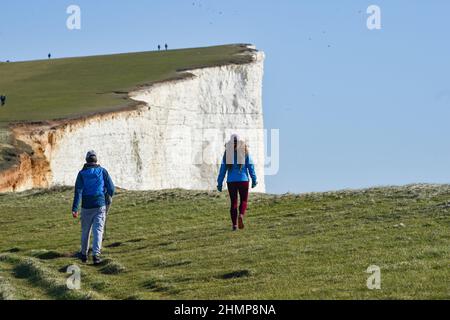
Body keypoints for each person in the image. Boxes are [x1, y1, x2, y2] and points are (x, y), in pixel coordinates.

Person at [72, 150, 115, 264]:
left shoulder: (81, 174)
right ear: (96, 160)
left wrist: (75, 209)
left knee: (85, 231)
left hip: (86, 207)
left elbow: (78, 192)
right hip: (100, 205)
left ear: (86, 160)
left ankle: (83, 255)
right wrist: (107, 197)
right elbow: (111, 188)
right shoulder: (102, 171)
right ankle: (96, 255)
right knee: (98, 231)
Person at [217, 134, 258, 231]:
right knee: (243, 200)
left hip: (231, 181)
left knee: (233, 203)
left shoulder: (227, 154)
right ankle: (241, 215)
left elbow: (222, 170)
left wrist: (219, 183)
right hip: (243, 180)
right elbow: (250, 166)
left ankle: (234, 225)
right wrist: (254, 179)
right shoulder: (244, 152)